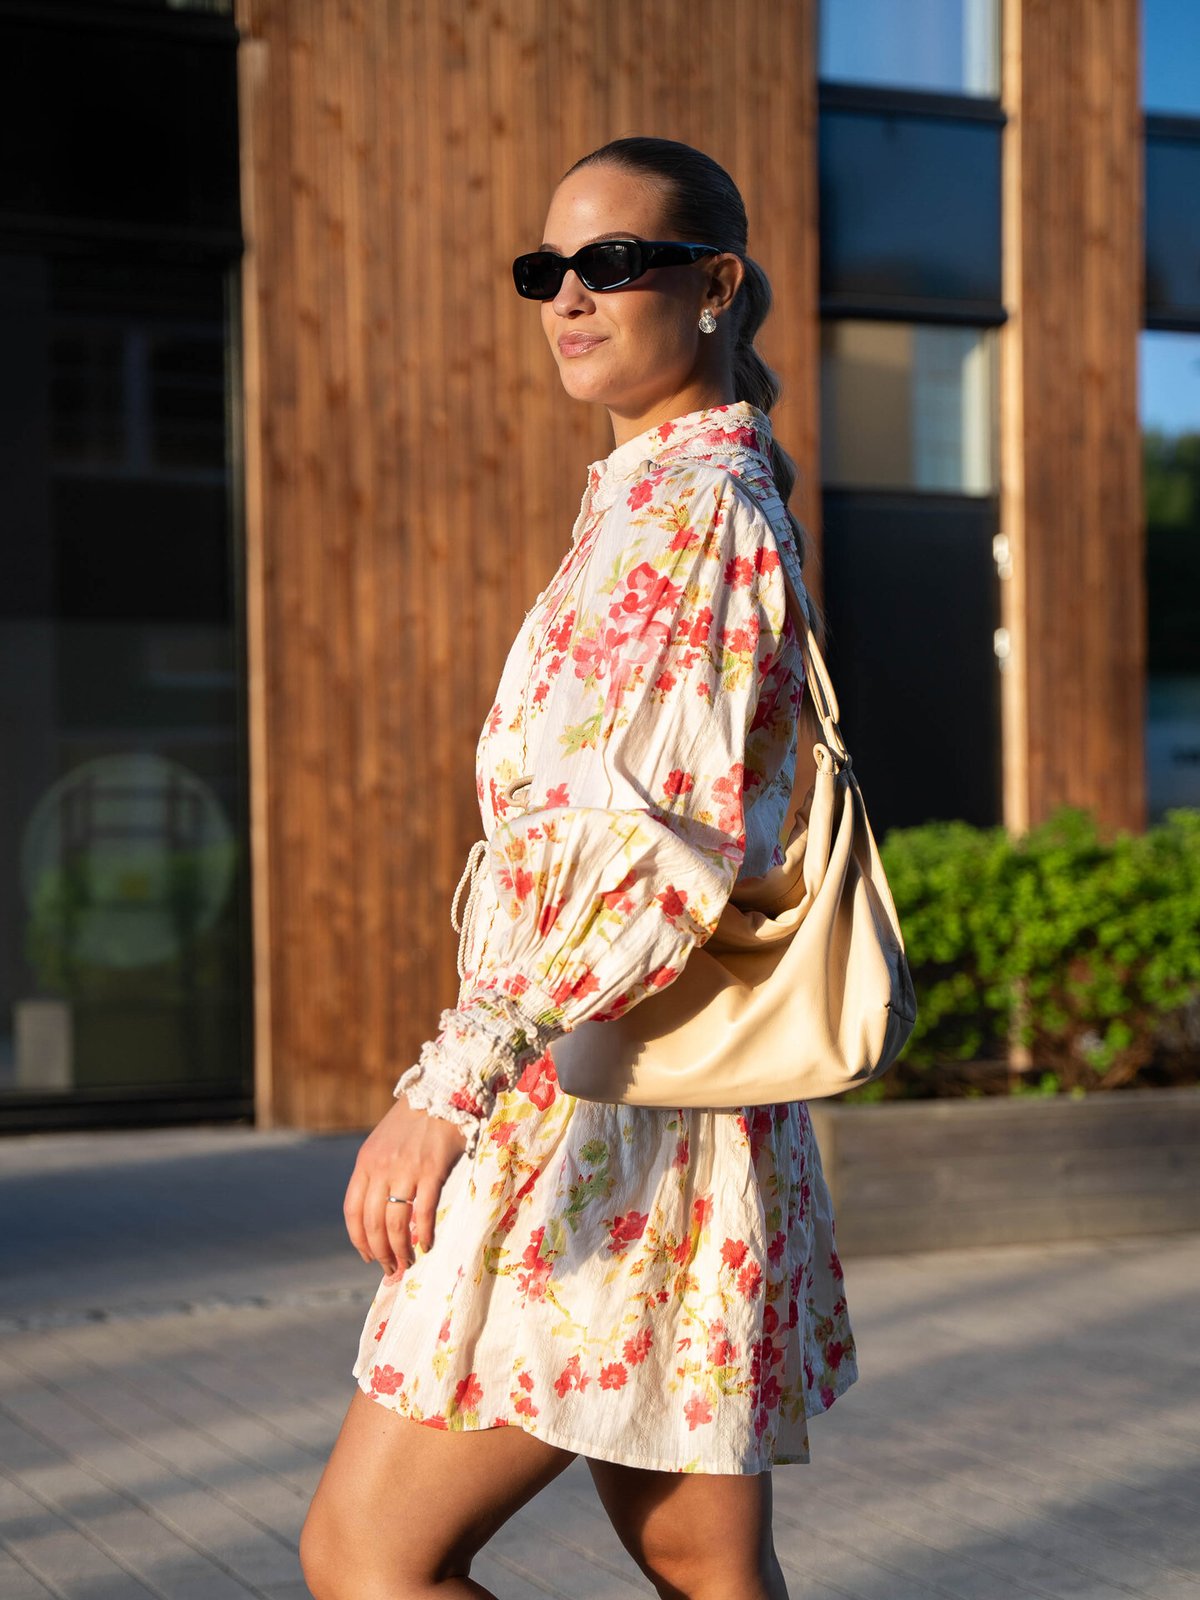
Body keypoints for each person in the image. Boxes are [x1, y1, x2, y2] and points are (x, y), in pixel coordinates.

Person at [300, 135, 858, 1600]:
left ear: (715, 284)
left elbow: (649, 857)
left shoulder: (693, 515)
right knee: (704, 1572)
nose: (569, 296)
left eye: (611, 263)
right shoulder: (651, 505)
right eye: (546, 269)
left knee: (369, 1557)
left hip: (600, 1111)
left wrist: (447, 1087)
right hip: (637, 1097)